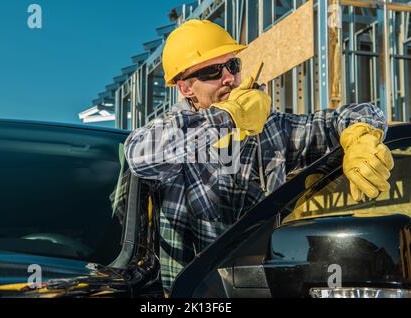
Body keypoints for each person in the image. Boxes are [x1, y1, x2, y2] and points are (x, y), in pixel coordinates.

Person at [119, 19, 394, 295]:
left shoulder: (270, 130)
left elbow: (352, 115)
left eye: (233, 65)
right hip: (191, 295)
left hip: (259, 288)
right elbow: (140, 155)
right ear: (185, 88)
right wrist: (227, 118)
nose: (229, 78)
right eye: (213, 71)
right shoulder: (172, 129)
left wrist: (361, 133)